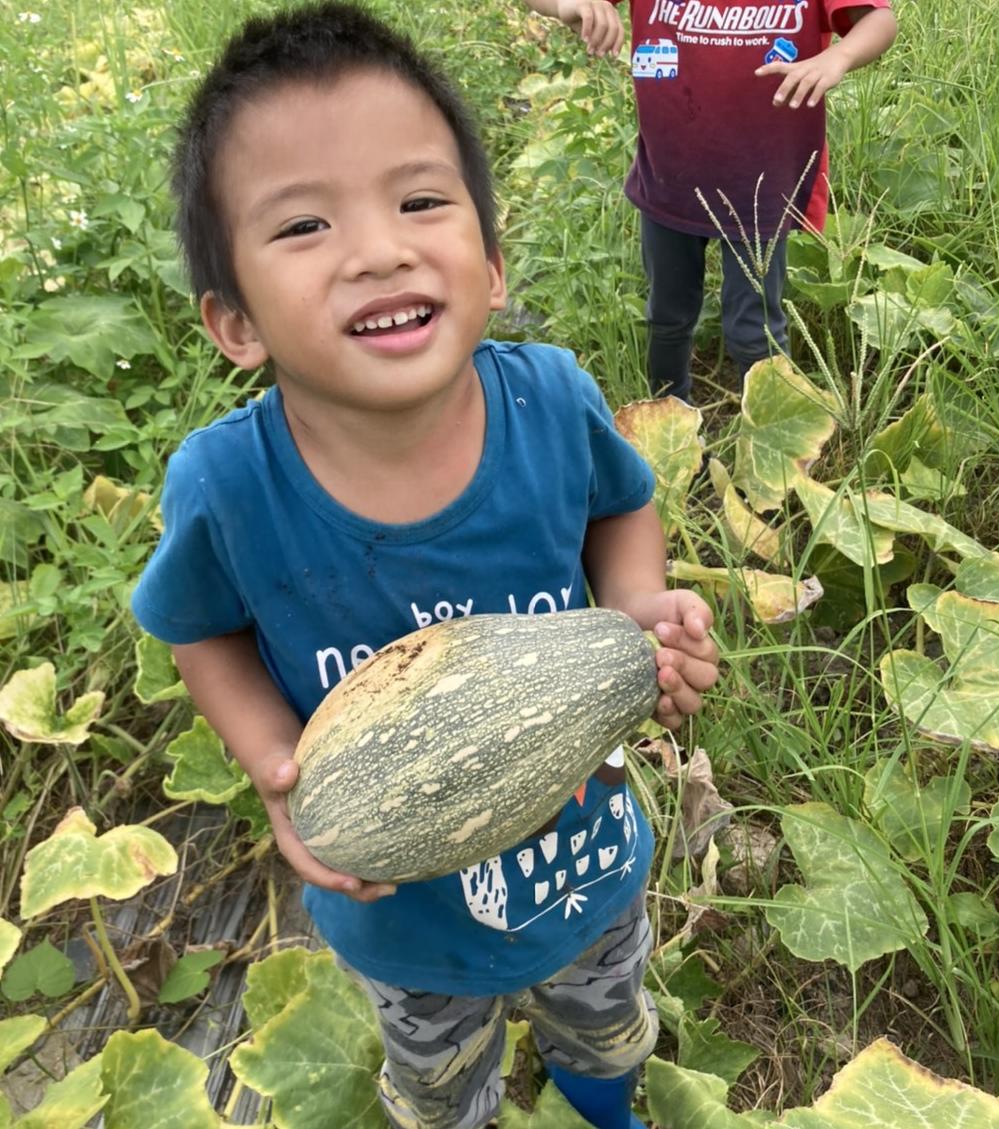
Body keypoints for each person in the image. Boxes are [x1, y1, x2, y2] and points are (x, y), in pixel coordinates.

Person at [131, 4, 719, 1127]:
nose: (377, 249)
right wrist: (270, 763)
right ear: (234, 322)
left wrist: (636, 610)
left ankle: (604, 1101)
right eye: (303, 227)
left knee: (603, 1011)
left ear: (491, 266)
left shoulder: (550, 399)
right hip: (400, 912)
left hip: (584, 860)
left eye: (419, 201)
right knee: (438, 1074)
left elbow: (622, 509)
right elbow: (197, 630)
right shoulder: (228, 488)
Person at [523, 0, 898, 402]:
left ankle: (774, 449)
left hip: (763, 182)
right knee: (668, 317)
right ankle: (669, 430)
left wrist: (837, 57)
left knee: (754, 332)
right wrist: (570, 5)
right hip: (669, 175)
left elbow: (879, 19)